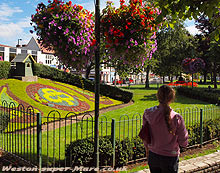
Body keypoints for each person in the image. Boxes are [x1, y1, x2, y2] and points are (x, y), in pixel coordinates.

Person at [142, 85, 188, 173]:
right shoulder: (176, 117)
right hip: (170, 157)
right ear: (171, 98)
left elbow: (145, 134)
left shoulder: (148, 113)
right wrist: (183, 145)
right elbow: (183, 140)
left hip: (153, 155)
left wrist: (147, 149)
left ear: (158, 96)